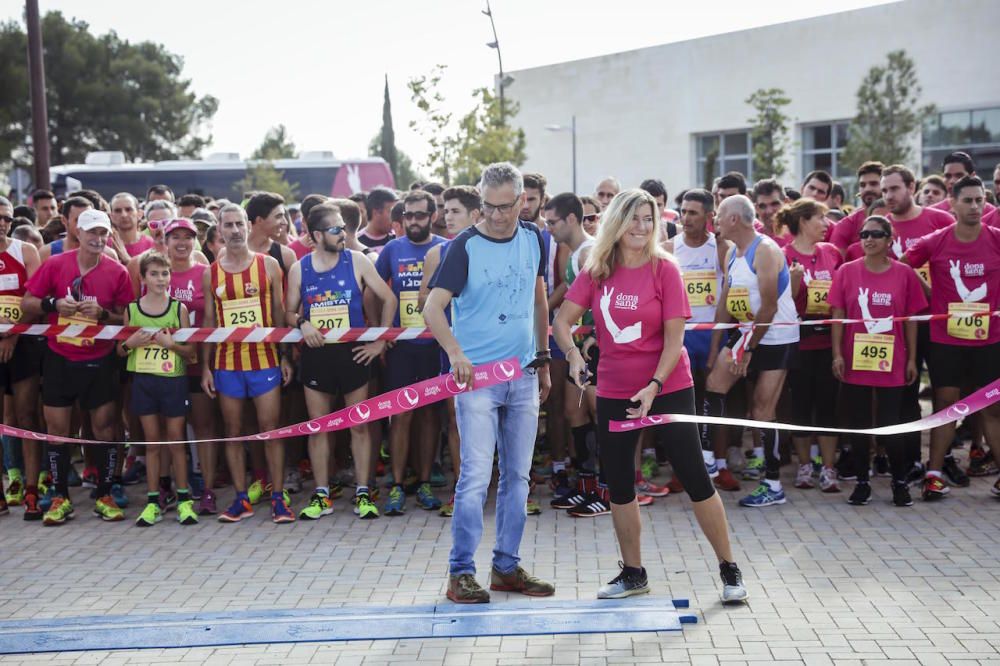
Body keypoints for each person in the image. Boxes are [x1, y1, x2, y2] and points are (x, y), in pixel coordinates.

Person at [553, 188, 747, 602]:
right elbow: (562, 321)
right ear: (617, 222)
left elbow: (674, 341)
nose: (641, 227)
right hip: (615, 389)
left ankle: (730, 570)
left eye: (648, 219)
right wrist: (572, 355)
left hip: (668, 386)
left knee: (695, 475)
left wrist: (654, 386)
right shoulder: (597, 268)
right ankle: (633, 573)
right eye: (633, 218)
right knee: (620, 483)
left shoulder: (665, 269)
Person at [423, 162, 553, 604]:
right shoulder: (463, 247)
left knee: (518, 476)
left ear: (523, 200)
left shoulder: (535, 237)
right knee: (475, 477)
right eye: (489, 207)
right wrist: (456, 354)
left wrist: (544, 358)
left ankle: (506, 566)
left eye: (506, 206)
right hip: (477, 377)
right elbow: (432, 310)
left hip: (524, 374)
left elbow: (538, 299)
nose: (496, 216)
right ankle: (461, 572)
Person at [22, 210, 134, 525]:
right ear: (78, 233)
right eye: (92, 233)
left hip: (98, 360)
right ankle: (59, 496)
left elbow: (127, 317)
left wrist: (102, 314)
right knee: (57, 430)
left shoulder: (117, 271)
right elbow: (27, 302)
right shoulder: (56, 264)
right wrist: (53, 305)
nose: (98, 239)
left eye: (103, 233)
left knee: (104, 428)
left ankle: (105, 492)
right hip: (60, 357)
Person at [285, 202, 395, 521]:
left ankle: (363, 491)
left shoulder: (357, 260)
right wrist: (301, 323)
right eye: (335, 229)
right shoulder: (299, 268)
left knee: (359, 426)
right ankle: (321, 495)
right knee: (319, 428)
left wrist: (380, 342)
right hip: (317, 356)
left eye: (344, 227)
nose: (343, 234)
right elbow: (288, 311)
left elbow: (388, 299)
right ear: (317, 234)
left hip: (354, 354)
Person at [902, 176, 1000, 501]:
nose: (975, 206)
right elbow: (901, 269)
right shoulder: (936, 240)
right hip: (947, 339)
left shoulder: (997, 239)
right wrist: (931, 296)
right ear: (953, 204)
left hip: (990, 340)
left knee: (991, 408)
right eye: (968, 200)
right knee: (947, 404)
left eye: (980, 200)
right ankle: (934, 475)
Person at [200, 203, 294, 523]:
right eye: (228, 225)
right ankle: (241, 499)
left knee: (271, 430)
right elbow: (210, 323)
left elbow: (280, 317)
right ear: (219, 231)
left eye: (239, 224)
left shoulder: (268, 265)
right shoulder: (210, 272)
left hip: (265, 360)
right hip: (227, 363)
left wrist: (285, 357)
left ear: (248, 225)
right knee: (234, 432)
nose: (236, 230)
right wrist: (205, 367)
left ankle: (279, 498)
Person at [704, 195, 799, 508]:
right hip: (746, 332)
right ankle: (706, 457)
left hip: (776, 336)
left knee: (762, 411)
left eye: (718, 216)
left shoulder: (767, 250)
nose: (714, 222)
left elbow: (769, 306)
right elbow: (727, 303)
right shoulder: (732, 252)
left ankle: (773, 485)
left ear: (734, 219)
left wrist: (748, 350)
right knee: (714, 385)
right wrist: (717, 347)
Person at [830, 216, 926, 506]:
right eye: (864, 234)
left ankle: (900, 483)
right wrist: (836, 353)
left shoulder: (904, 274)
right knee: (860, 426)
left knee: (889, 425)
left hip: (893, 362)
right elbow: (837, 315)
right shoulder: (846, 271)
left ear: (889, 240)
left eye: (876, 234)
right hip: (855, 360)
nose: (869, 239)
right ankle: (862, 482)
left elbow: (910, 320)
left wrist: (911, 358)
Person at [375, 191, 446, 515]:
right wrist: (382, 330)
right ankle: (398, 486)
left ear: (433, 216)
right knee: (401, 415)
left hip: (435, 344)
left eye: (420, 215)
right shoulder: (392, 249)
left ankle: (426, 482)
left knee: (431, 416)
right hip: (402, 345)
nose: (414, 221)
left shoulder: (446, 247)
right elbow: (373, 291)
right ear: (401, 219)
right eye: (409, 216)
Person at [662, 189, 738, 492]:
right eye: (683, 211)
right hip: (682, 334)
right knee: (684, 405)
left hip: (713, 332)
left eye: (693, 212)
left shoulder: (722, 247)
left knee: (716, 401)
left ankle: (720, 466)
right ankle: (683, 469)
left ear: (709, 216)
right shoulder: (669, 247)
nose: (686, 217)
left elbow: (733, 290)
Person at [120, 251, 198, 526]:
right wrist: (130, 345)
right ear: (142, 278)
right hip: (143, 381)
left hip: (173, 380)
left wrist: (171, 346)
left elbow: (191, 353)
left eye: (164, 273)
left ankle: (184, 499)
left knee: (176, 440)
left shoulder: (179, 310)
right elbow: (120, 350)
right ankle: (153, 501)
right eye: (154, 274)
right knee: (152, 442)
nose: (160, 279)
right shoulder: (132, 309)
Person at [418, 185, 482, 517]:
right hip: (453, 348)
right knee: (458, 420)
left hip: (492, 348)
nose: (446, 216)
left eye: (454, 211)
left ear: (475, 214)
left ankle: (499, 488)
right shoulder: (437, 254)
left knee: (498, 419)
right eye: (445, 210)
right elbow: (423, 304)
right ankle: (462, 491)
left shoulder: (493, 249)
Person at [780, 199, 843, 492]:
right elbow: (780, 305)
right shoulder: (782, 255)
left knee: (829, 407)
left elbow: (840, 298)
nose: (827, 223)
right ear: (803, 221)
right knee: (801, 407)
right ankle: (805, 465)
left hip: (828, 342)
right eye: (821, 217)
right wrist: (793, 285)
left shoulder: (831, 253)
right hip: (798, 343)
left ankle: (828, 468)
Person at [541, 193, 599, 508]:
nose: (547, 228)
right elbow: (570, 292)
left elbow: (607, 295)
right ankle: (587, 483)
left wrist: (600, 336)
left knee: (597, 415)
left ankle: (608, 489)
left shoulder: (589, 252)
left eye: (552, 222)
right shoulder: (573, 251)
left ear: (571, 219)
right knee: (573, 412)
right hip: (575, 347)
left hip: (593, 348)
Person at [160, 219, 217, 515]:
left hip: (196, 365)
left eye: (188, 237)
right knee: (171, 430)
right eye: (175, 237)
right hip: (163, 366)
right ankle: (171, 487)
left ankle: (207, 491)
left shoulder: (204, 273)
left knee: (204, 426)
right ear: (165, 240)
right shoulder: (155, 272)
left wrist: (206, 366)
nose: (181, 243)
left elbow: (209, 322)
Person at [0, 208, 43, 519]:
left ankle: (31, 489)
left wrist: (12, 335)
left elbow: (36, 297)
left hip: (23, 342)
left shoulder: (25, 251)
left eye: (6, 218)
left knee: (27, 416)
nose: (2, 222)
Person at [830, 162, 884, 256]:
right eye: (863, 185)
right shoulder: (846, 225)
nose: (867, 189)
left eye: (874, 184)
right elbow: (836, 265)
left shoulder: (900, 217)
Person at [359, 187, 398, 255]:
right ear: (376, 212)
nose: (395, 217)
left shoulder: (398, 238)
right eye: (392, 212)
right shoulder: (357, 242)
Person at [752, 178, 790, 246]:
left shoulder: (800, 236)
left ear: (786, 203)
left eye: (774, 204)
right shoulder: (750, 239)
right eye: (763, 206)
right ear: (756, 208)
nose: (769, 211)